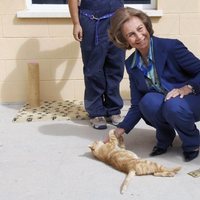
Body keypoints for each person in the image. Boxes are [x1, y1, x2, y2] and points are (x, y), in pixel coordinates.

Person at [105, 7, 200, 162]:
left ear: (146, 25)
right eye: (131, 34)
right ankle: (165, 138)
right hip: (170, 103)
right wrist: (120, 129)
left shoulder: (171, 47)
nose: (139, 37)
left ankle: (192, 143)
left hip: (193, 99)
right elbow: (136, 105)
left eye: (140, 29)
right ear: (124, 39)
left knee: (173, 104)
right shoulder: (131, 64)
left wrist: (188, 88)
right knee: (147, 102)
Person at [68, 0, 125, 130]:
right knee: (93, 70)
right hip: (91, 20)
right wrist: (76, 23)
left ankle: (114, 109)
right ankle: (96, 112)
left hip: (117, 20)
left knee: (116, 67)